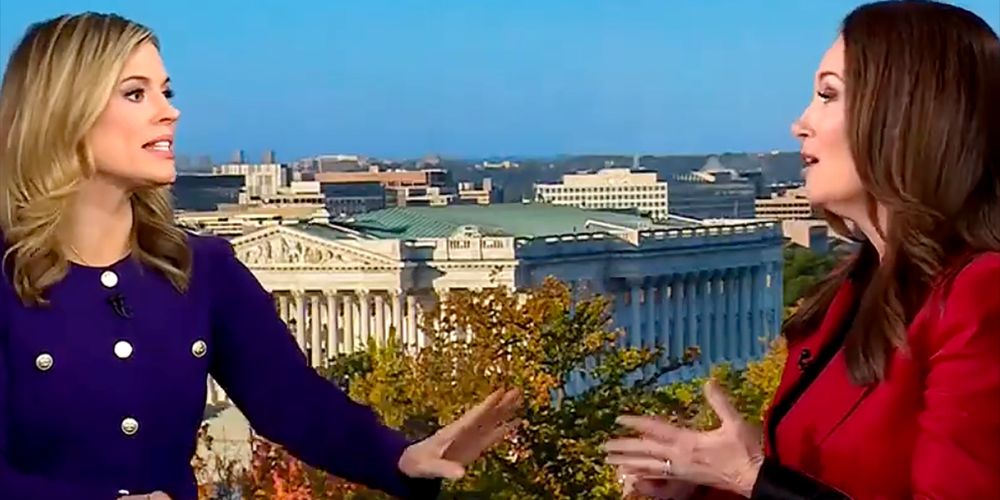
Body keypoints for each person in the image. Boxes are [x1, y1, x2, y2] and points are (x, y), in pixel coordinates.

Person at [0, 12, 522, 500]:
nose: (169, 111)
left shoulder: (202, 270)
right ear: (64, 114)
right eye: (135, 94)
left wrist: (401, 459)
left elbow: (293, 401)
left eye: (166, 91)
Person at [603, 1, 1000, 498]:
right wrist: (702, 486)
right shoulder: (849, 291)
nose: (799, 123)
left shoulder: (980, 294)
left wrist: (749, 475)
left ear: (905, 118)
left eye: (828, 95)